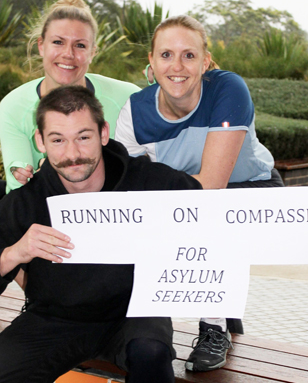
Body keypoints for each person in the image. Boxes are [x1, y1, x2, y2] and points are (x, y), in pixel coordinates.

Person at [115, 15, 308, 372]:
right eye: (166, 55)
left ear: (206, 62)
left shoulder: (229, 88)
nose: (177, 66)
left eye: (189, 55)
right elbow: (126, 185)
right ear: (150, 63)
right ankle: (165, 324)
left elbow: (212, 183)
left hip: (249, 189)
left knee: (210, 218)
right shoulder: (135, 112)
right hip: (188, 195)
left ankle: (214, 327)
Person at [0, 86, 200, 382]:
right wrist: (16, 252)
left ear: (103, 133)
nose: (73, 154)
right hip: (55, 318)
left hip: (134, 313)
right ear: (40, 141)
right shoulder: (24, 202)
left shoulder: (148, 179)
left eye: (83, 137)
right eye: (58, 140)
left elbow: (207, 211)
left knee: (151, 351)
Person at [0, 0, 140, 194]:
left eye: (80, 45)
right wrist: (31, 177)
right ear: (41, 46)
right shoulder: (13, 107)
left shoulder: (128, 96)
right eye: (58, 42)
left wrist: (161, 76)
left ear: (93, 52)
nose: (68, 54)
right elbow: (18, 192)